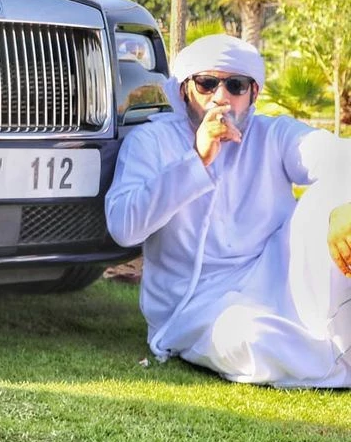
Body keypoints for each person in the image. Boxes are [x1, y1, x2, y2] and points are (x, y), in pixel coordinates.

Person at [105, 33, 351, 386]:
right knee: (251, 340)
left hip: (276, 276)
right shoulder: (151, 142)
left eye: (235, 85)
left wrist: (343, 204)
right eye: (207, 83)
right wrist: (197, 160)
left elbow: (338, 156)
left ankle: (322, 355)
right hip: (199, 307)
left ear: (254, 93)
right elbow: (123, 226)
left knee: (335, 194)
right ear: (184, 88)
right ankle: (334, 357)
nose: (221, 97)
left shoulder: (273, 135)